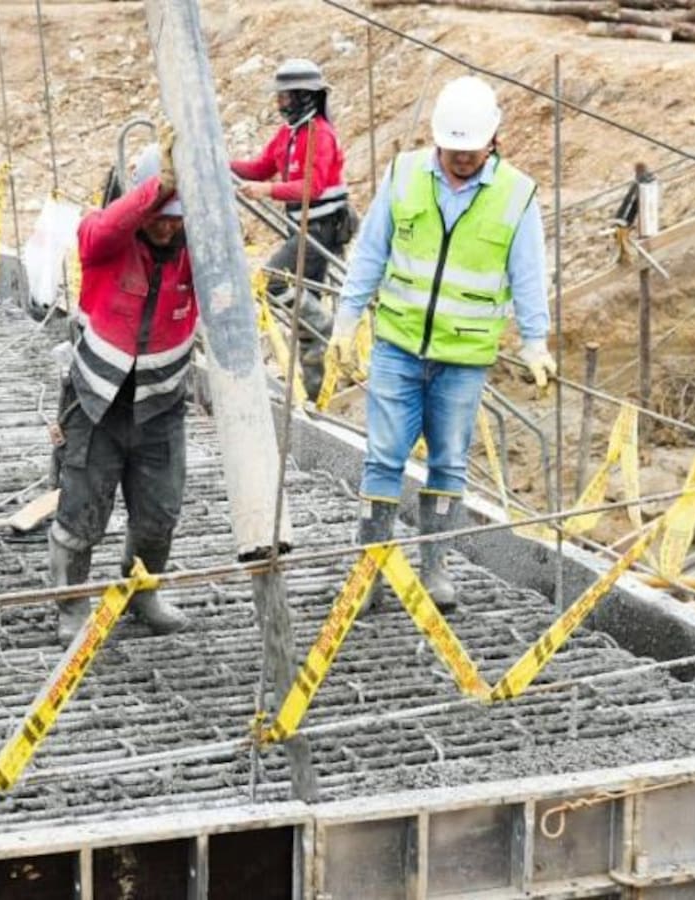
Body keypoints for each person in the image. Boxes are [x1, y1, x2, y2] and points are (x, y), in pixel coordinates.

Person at [330, 75, 556, 613]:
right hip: (398, 346)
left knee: (449, 462)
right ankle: (371, 569)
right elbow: (371, 252)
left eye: (470, 150)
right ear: (437, 141)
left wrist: (535, 340)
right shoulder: (404, 174)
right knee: (383, 458)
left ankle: (435, 568)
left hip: (463, 360)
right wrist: (346, 318)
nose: (460, 158)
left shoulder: (516, 195)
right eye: (452, 149)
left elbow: (527, 274)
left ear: (493, 140)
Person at [48, 134, 194, 646]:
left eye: (177, 213)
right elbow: (98, 229)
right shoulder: (109, 239)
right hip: (97, 402)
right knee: (81, 509)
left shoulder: (195, 249)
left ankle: (141, 592)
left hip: (161, 403)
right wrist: (156, 191)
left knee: (160, 513)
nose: (168, 223)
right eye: (160, 212)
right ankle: (71, 604)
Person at [231, 58, 355, 399]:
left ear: (303, 96)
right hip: (299, 227)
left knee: (274, 282)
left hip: (320, 230)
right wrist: (219, 162)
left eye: (285, 97)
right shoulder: (288, 134)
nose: (280, 104)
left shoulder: (320, 134)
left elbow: (312, 186)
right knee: (304, 310)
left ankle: (327, 328)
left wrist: (268, 191)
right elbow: (259, 167)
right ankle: (318, 391)